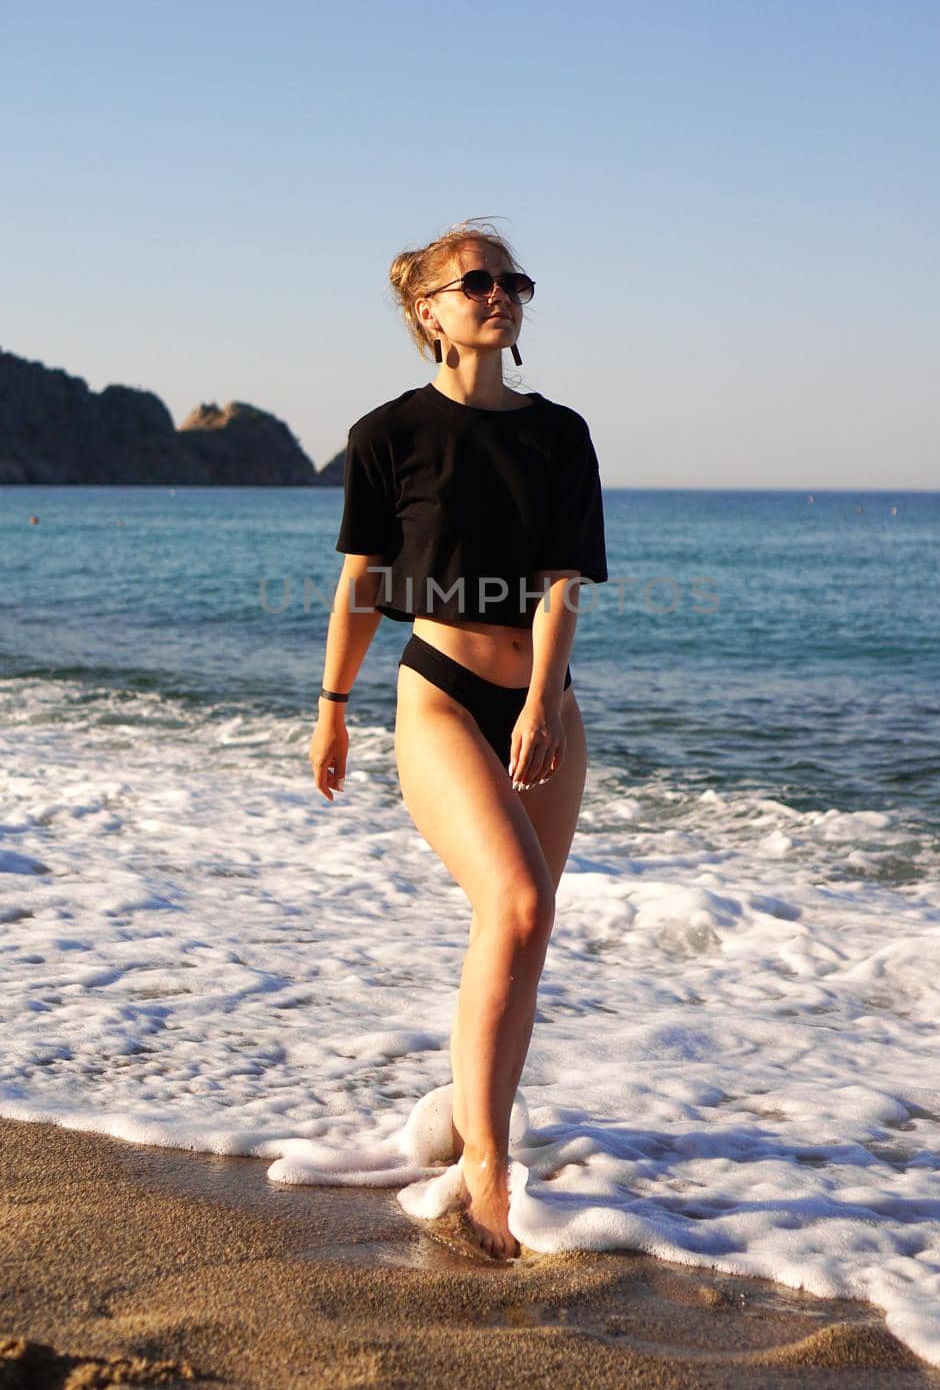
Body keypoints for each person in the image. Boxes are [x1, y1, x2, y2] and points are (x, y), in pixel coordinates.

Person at [308, 219, 608, 1261]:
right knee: (516, 904)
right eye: (475, 281)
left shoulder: (558, 434)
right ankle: (485, 1170)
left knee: (522, 932)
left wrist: (542, 701)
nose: (499, 293)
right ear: (428, 311)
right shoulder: (387, 435)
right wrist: (332, 704)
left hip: (545, 712)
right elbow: (360, 584)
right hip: (436, 696)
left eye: (512, 280)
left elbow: (561, 583)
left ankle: (469, 1118)